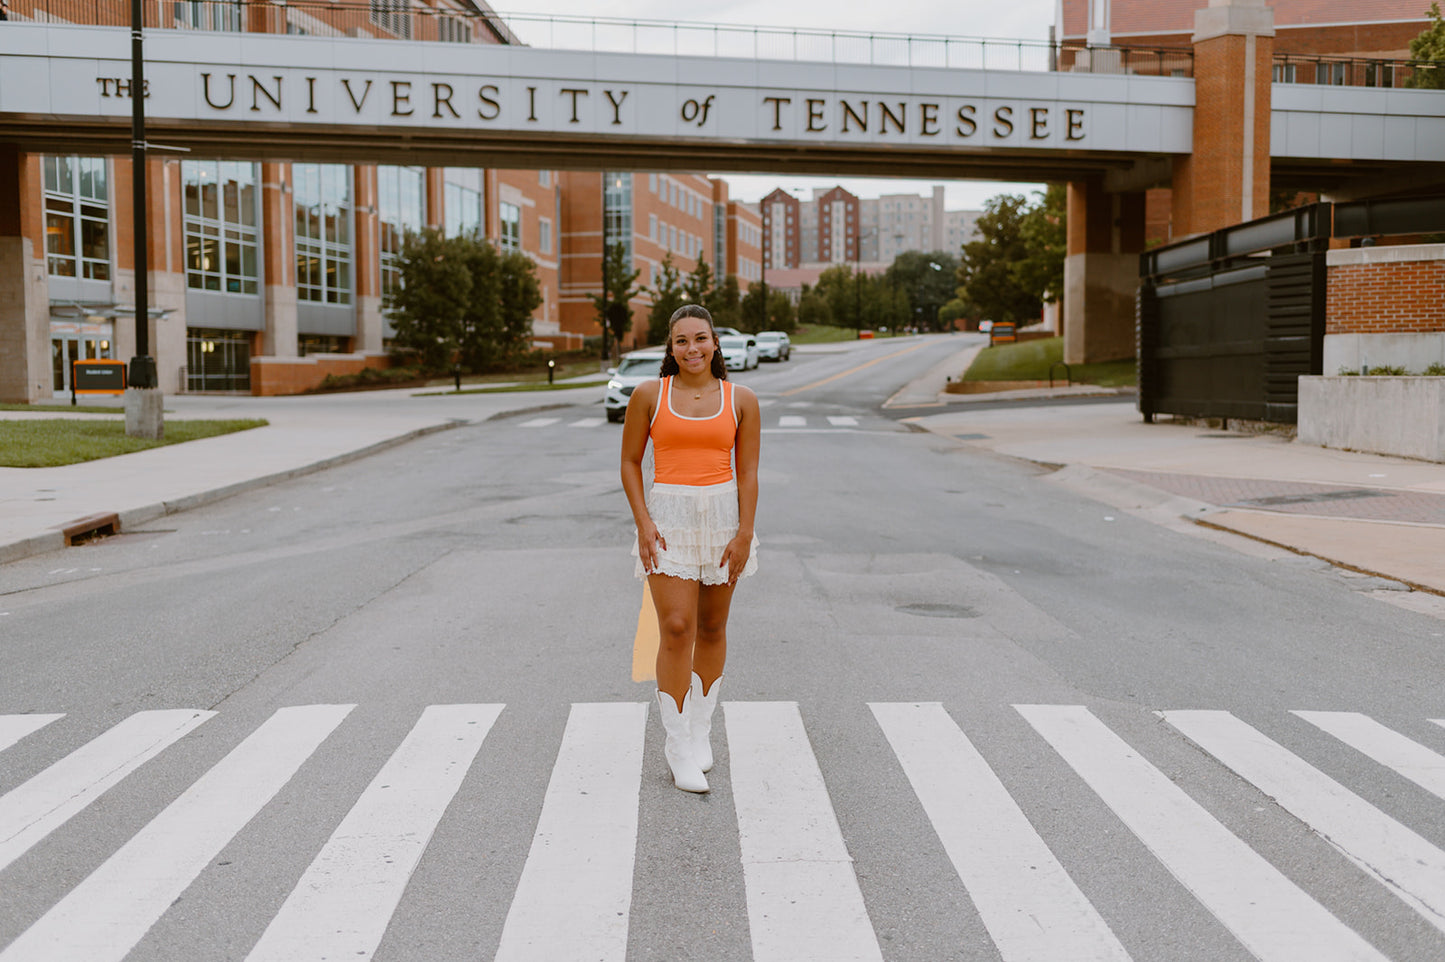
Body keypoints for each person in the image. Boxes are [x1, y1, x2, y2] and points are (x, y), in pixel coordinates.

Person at [621, 304, 759, 793]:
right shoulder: (647, 395)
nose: (692, 348)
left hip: (723, 519)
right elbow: (631, 463)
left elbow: (747, 473)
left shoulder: (740, 399)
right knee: (677, 628)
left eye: (700, 339)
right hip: (670, 519)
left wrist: (744, 532)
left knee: (713, 626)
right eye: (682, 341)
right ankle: (677, 744)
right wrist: (643, 523)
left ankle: (701, 733)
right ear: (670, 348)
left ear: (715, 343)